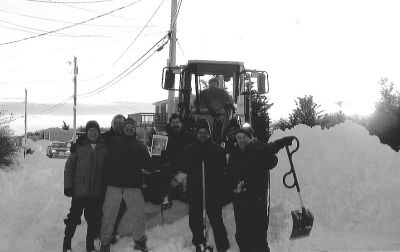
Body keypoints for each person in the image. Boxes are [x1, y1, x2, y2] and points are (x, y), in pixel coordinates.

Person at [230, 124, 295, 252]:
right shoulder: (234, 153)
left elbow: (272, 148)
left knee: (258, 232)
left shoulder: (258, 149)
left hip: (257, 198)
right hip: (241, 199)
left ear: (249, 138)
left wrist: (284, 141)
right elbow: (230, 173)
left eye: (244, 137)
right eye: (238, 138)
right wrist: (234, 187)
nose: (241, 140)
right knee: (242, 233)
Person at [99, 118, 150, 252]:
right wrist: (81, 142)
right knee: (108, 215)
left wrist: (158, 152)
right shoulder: (113, 141)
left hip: (133, 186)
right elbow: (98, 140)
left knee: (138, 214)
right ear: (123, 128)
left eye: (132, 127)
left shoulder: (140, 146)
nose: (129, 128)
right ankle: (105, 243)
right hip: (113, 185)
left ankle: (139, 241)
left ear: (135, 129)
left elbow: (148, 165)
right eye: (127, 126)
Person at [180, 119, 230, 252]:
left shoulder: (218, 150)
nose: (202, 135)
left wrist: (223, 191)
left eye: (205, 133)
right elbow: (183, 169)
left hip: (213, 192)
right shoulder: (189, 150)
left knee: (216, 221)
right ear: (196, 134)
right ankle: (199, 243)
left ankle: (223, 247)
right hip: (195, 192)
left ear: (209, 134)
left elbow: (224, 172)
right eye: (200, 132)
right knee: (195, 222)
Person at [63, 120, 108, 252]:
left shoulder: (104, 148)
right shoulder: (79, 147)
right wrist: (68, 186)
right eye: (90, 130)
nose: (93, 133)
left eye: (95, 130)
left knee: (93, 220)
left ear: (99, 133)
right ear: (86, 132)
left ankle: (90, 246)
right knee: (73, 218)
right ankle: (67, 244)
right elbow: (69, 167)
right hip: (79, 191)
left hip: (96, 192)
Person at [101, 114, 127, 244]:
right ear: (112, 124)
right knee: (107, 207)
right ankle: (105, 232)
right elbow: (91, 140)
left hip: (123, 179)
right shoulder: (105, 137)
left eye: (121, 123)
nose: (119, 125)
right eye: (116, 123)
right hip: (107, 178)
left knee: (121, 206)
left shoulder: (128, 137)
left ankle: (113, 229)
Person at [160, 113, 193, 208]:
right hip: (171, 165)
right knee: (163, 169)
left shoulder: (188, 136)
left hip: (184, 164)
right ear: (170, 124)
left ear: (181, 123)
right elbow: (162, 155)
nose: (175, 124)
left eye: (177, 122)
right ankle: (165, 196)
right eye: (173, 122)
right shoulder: (166, 137)